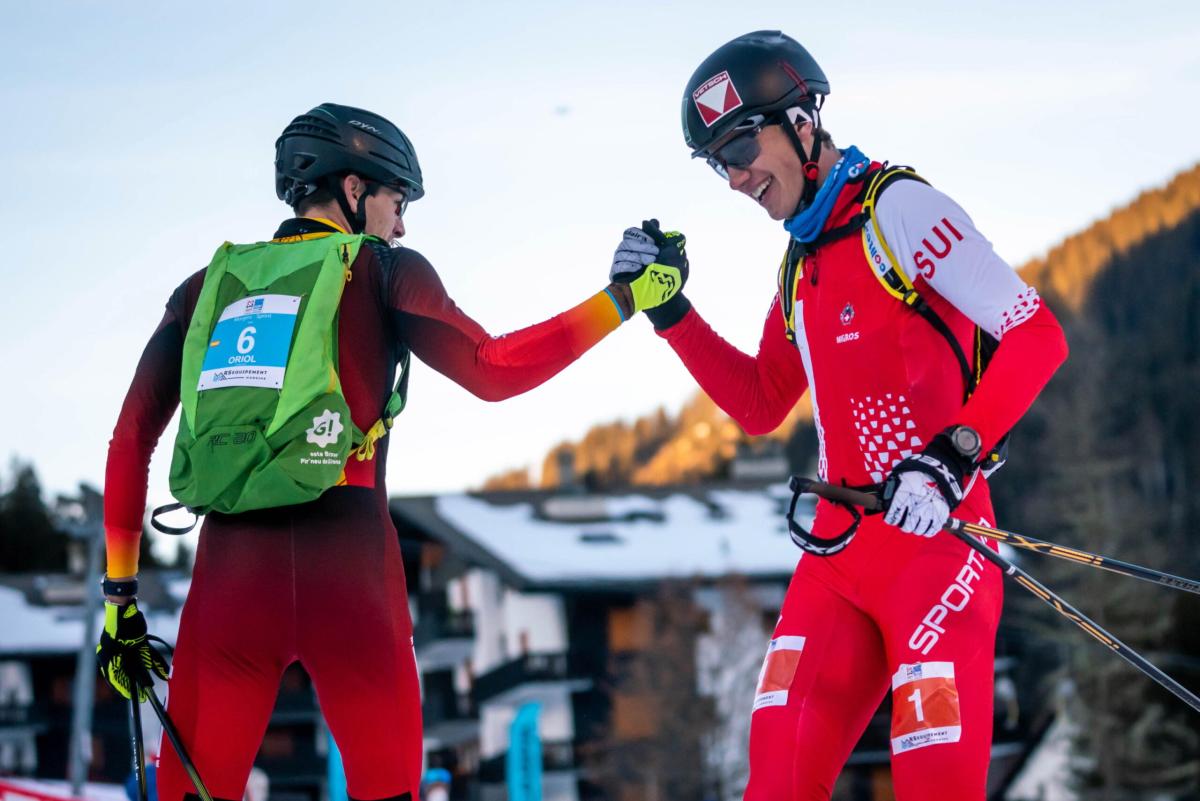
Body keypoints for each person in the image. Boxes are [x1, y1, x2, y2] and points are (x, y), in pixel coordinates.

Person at [96, 102, 681, 801]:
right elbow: (494, 369)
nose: (400, 223)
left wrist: (120, 600)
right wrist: (624, 298)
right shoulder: (383, 269)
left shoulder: (206, 288)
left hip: (230, 582)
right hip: (352, 578)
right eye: (396, 201)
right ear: (353, 190)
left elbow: (131, 437)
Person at [610, 31, 1068, 800]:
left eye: (739, 147)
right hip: (838, 555)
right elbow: (760, 401)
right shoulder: (802, 258)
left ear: (800, 122)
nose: (734, 178)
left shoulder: (901, 210)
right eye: (717, 163)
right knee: (776, 780)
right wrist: (670, 311)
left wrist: (950, 457)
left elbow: (1037, 336)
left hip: (939, 550)